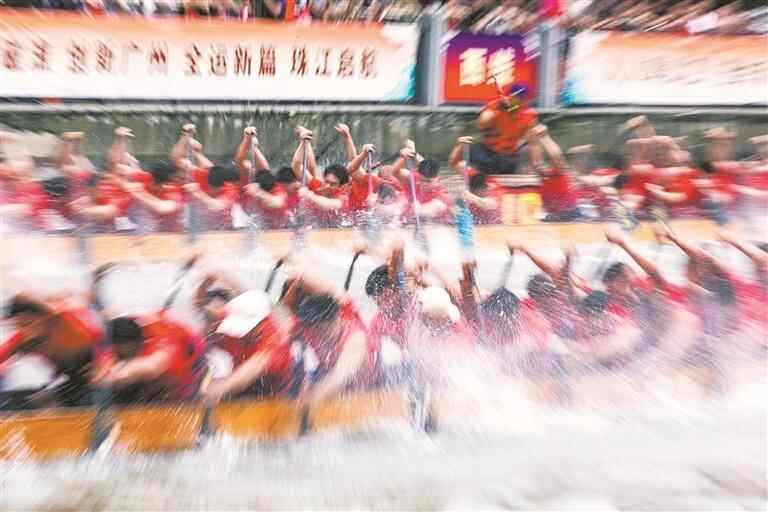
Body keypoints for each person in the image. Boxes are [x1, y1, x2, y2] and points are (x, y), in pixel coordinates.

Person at [281, 273, 376, 404]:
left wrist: (312, 399)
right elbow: (280, 340)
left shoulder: (356, 340)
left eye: (323, 330)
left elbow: (339, 376)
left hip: (364, 384)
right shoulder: (307, 325)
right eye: (315, 330)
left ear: (338, 318)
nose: (319, 336)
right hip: (326, 370)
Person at [1, 293, 103, 407]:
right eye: (20, 326)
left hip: (96, 367)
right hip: (71, 376)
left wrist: (103, 366)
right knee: (39, 401)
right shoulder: (23, 337)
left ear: (43, 317)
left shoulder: (66, 318)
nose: (27, 331)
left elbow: (101, 339)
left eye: (28, 323)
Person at [202, 290, 296, 403]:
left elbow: (255, 366)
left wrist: (220, 388)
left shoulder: (275, 339)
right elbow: (203, 311)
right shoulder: (232, 312)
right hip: (239, 379)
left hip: (273, 393)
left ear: (261, 323)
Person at [94, 312, 206, 404]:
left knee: (166, 389)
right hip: (158, 327)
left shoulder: (164, 348)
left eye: (127, 355)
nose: (124, 359)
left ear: (140, 344)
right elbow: (100, 377)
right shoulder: (110, 339)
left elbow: (150, 368)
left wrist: (114, 374)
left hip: (193, 352)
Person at [472, 84, 538, 174]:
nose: (523, 101)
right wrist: (499, 108)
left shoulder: (529, 115)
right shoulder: (496, 105)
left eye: (525, 98)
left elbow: (534, 143)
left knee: (513, 159)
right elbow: (481, 124)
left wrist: (536, 165)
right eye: (518, 97)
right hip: (487, 152)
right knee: (474, 150)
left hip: (508, 156)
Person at [528, 125, 581, 222]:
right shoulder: (544, 175)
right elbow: (536, 161)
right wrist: (533, 140)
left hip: (570, 214)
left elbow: (557, 157)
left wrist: (545, 137)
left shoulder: (559, 173)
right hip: (554, 215)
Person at [450, 136, 503, 225]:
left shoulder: (493, 184)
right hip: (472, 224)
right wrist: (459, 146)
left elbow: (490, 204)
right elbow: (454, 163)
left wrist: (471, 197)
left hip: (492, 226)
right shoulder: (472, 174)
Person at [184, 164, 240, 231]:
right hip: (201, 229)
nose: (212, 191)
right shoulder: (203, 175)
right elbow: (181, 162)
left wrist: (198, 192)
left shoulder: (230, 188)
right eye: (210, 187)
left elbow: (217, 207)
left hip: (224, 230)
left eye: (215, 189)